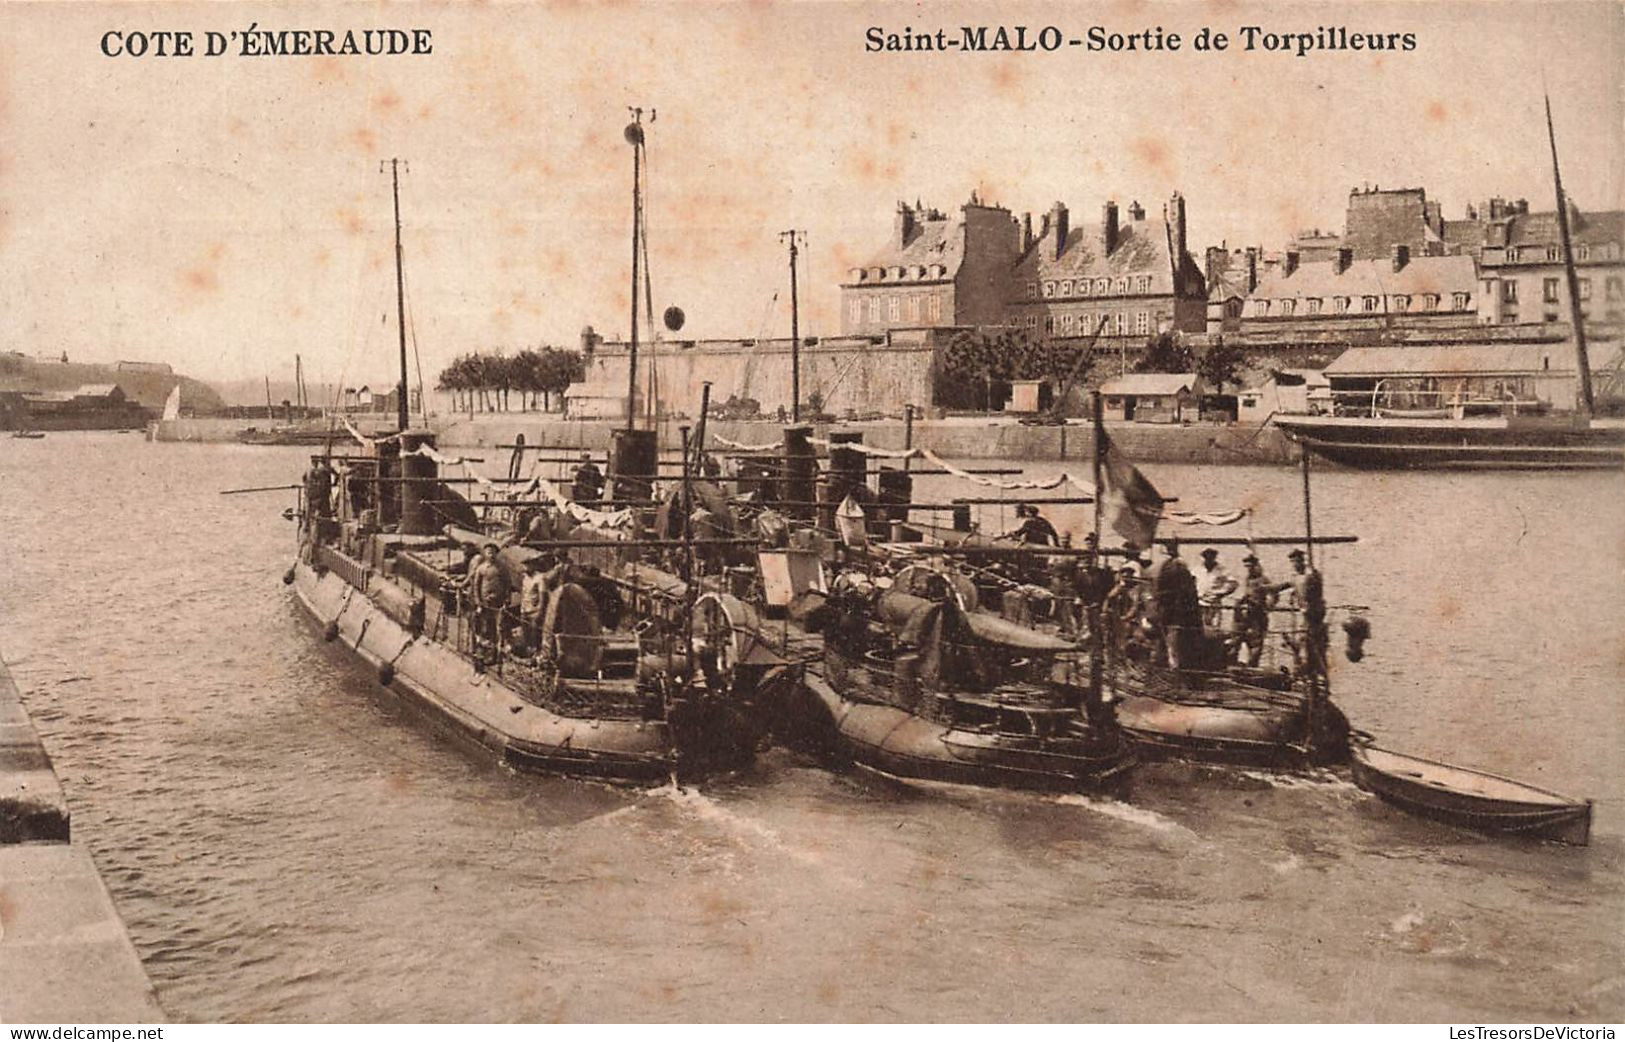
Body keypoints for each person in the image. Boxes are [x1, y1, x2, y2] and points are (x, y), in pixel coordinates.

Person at [1150, 540, 1201, 669]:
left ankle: (1172, 667)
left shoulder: (1174, 565)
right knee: (1167, 640)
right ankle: (1167, 666)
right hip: (1169, 609)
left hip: (1174, 610)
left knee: (1172, 640)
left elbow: (1187, 590)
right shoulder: (1172, 565)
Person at [462, 542, 511, 655]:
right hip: (484, 602)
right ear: (485, 553)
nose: (491, 555)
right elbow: (476, 586)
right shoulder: (481, 568)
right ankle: (486, 649)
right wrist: (478, 602)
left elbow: (508, 585)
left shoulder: (502, 568)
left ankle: (498, 649)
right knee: (485, 625)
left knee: (500, 626)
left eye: (493, 552)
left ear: (496, 554)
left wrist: (507, 600)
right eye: (488, 552)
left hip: (498, 601)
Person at [1234, 553, 1276, 667]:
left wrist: (1268, 606)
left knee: (1256, 644)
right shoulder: (1247, 579)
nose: (1249, 569)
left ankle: (1252, 667)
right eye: (1247, 567)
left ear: (1256, 565)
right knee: (1236, 640)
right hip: (1245, 615)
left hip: (1258, 615)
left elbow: (1274, 593)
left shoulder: (1263, 579)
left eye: (1251, 566)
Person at [1196, 548, 1239, 630]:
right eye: (1206, 557)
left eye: (1211, 557)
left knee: (1215, 628)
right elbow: (1190, 582)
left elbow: (1233, 583)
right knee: (1199, 627)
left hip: (1214, 604)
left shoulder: (1222, 570)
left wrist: (1220, 592)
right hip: (1200, 603)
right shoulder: (1197, 569)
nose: (1209, 559)